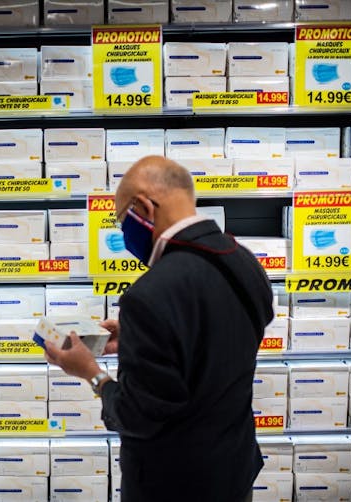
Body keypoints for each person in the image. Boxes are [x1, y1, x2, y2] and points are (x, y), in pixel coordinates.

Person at [44, 155, 274, 501]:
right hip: (233, 469)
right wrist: (139, 338)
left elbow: (137, 417)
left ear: (143, 207)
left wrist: (91, 373)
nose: (124, 234)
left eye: (122, 220)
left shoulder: (148, 295)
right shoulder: (242, 259)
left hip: (172, 484)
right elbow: (227, 334)